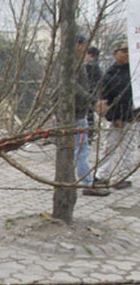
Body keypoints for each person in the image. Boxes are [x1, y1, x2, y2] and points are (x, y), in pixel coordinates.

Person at [94, 38, 138, 190]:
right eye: (123, 51)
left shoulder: (134, 72)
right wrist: (114, 117)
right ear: (115, 53)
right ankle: (102, 176)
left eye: (128, 51)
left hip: (132, 117)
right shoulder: (109, 74)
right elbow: (104, 99)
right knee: (109, 147)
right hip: (114, 118)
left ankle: (125, 176)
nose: (126, 55)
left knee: (129, 148)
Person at [74, 36, 110, 196]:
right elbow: (73, 86)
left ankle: (85, 181)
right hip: (74, 114)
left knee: (79, 150)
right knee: (79, 151)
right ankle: (87, 184)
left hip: (80, 111)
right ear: (78, 45)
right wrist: (94, 101)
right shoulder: (71, 63)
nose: (85, 50)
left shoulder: (78, 63)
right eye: (84, 46)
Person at [85, 46, 102, 135]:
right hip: (94, 93)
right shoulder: (97, 67)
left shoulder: (89, 66)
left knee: (88, 114)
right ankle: (90, 133)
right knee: (90, 114)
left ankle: (89, 134)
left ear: (91, 55)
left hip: (89, 93)